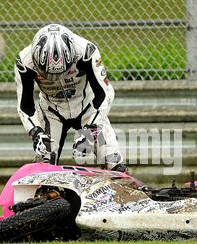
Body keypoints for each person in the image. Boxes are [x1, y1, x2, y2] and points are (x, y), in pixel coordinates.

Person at [14, 23, 127, 173]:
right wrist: (36, 132)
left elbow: (105, 93)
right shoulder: (24, 62)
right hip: (51, 112)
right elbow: (25, 105)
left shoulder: (86, 51)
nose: (55, 77)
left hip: (88, 109)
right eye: (48, 74)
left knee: (113, 163)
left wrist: (91, 129)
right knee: (44, 166)